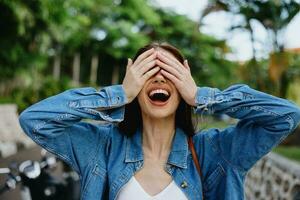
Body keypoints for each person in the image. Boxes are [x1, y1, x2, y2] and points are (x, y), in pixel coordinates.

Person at [19, 42, 300, 200]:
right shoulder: (102, 147)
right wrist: (119, 94)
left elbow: (287, 115)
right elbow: (35, 120)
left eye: (170, 70)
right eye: (148, 70)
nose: (159, 77)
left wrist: (201, 95)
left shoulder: (216, 152)